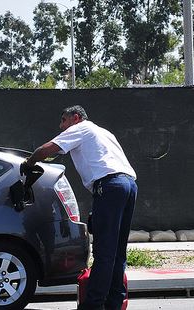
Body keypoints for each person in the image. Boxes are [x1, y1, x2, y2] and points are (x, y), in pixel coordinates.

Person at [23, 105, 137, 310]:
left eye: (63, 121)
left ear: (76, 118)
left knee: (104, 252)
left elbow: (46, 150)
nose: (61, 126)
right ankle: (114, 303)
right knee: (118, 252)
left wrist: (28, 163)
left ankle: (92, 305)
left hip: (109, 186)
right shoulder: (103, 132)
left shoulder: (80, 129)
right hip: (129, 185)